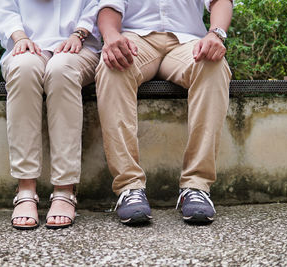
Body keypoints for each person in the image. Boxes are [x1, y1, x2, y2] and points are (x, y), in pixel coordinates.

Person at [96, 0, 233, 225]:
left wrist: (215, 34)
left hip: (188, 42)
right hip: (136, 40)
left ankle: (196, 186)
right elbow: (110, 5)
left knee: (214, 67)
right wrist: (110, 35)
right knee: (112, 67)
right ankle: (129, 188)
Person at [0, 0, 101, 230]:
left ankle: (65, 189)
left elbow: (96, 5)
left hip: (80, 47)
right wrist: (20, 37)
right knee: (23, 69)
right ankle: (25, 188)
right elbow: (6, 9)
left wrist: (79, 34)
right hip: (28, 45)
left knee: (61, 70)